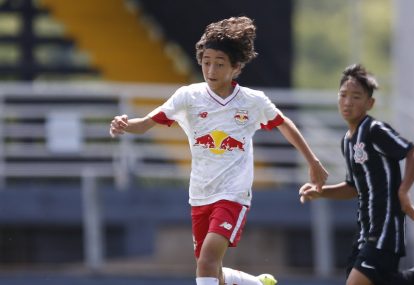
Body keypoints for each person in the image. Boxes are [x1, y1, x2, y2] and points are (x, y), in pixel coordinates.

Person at [110, 16, 328, 285]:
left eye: (219, 64)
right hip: (200, 194)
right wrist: (124, 124)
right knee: (212, 269)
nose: (211, 69)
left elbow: (284, 124)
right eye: (206, 62)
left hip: (233, 194)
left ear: (236, 68)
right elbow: (144, 125)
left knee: (207, 260)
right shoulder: (187, 97)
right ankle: (257, 284)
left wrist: (313, 162)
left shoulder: (252, 101)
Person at [299, 64, 414, 285]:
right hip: (366, 231)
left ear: (370, 103)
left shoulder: (374, 130)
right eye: (343, 95)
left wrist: (403, 191)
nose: (348, 102)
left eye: (356, 97)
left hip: (385, 228)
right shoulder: (347, 141)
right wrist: (321, 192)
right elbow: (353, 186)